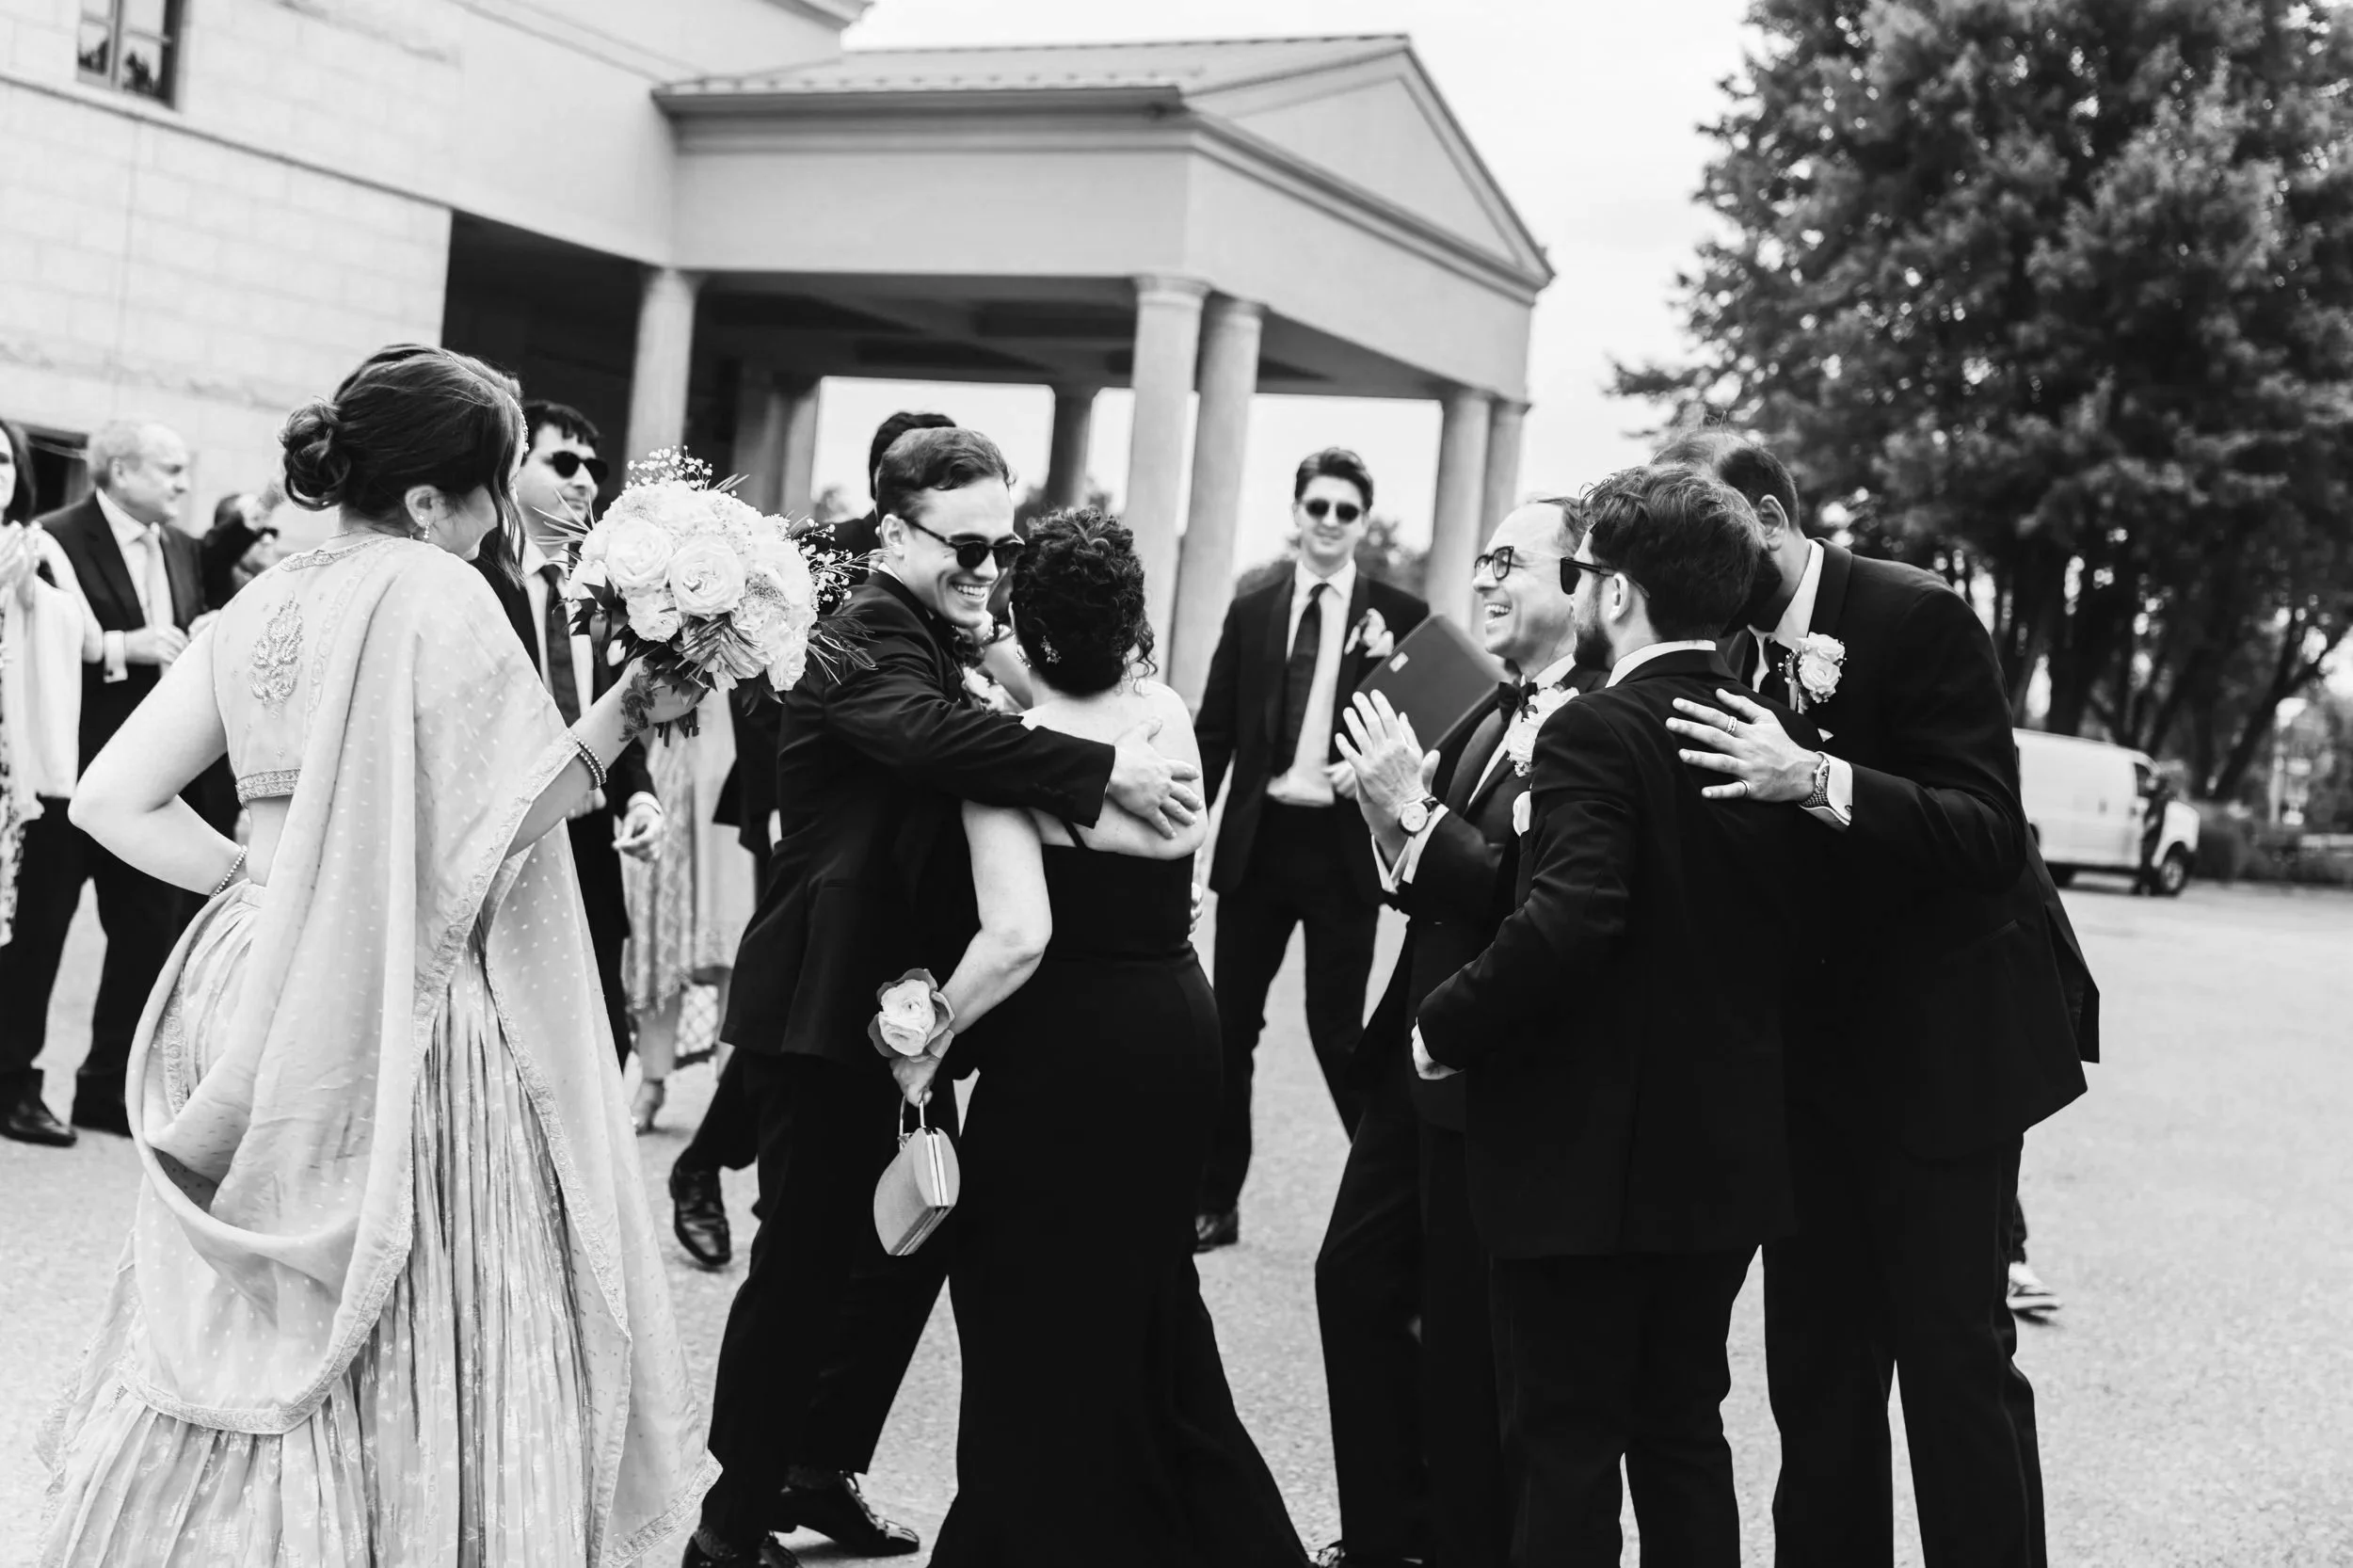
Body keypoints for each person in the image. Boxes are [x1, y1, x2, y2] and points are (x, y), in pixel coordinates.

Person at [39, 344, 707, 1563]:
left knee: (252, 1310)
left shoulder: (255, 602)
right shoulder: (436, 594)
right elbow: (503, 820)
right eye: (492, 486)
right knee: (414, 1301)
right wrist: (629, 710)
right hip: (402, 996)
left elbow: (108, 797)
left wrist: (252, 877)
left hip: (245, 977)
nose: (502, 514)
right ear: (424, 501)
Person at [688, 426, 1205, 1568]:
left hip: (901, 1012)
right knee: (808, 1266)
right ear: (893, 533)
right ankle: (729, 1525)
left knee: (914, 1240)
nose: (988, 566)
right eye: (966, 544)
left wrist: (1112, 720)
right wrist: (1098, 770)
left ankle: (817, 1465)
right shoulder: (855, 634)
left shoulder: (943, 631)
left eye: (1002, 545)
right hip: (829, 1008)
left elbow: (1046, 695)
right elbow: (924, 738)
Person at [1660, 432, 2097, 1568]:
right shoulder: (1721, 646)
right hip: (1808, 1070)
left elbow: (1988, 835)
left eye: (1706, 538)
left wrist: (1813, 777)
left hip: (1946, 1059)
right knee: (1814, 1375)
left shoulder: (1918, 616)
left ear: (1764, 515)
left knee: (1952, 1369)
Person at [1416, 466, 1824, 1567]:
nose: (1576, 588)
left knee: (1565, 1443)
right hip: (1722, 1153)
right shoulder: (1768, 730)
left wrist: (1444, 1021)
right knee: (1682, 1430)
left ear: (1619, 594)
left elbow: (1569, 922)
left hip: (1584, 1167)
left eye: (1582, 571)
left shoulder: (1595, 733)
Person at [906, 507, 1306, 1567]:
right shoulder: (1163, 715)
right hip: (1175, 1024)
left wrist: (925, 1034)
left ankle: (1027, 1531)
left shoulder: (1007, 757)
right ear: (1131, 623)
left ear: (1025, 628)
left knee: (1021, 1299)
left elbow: (1018, 935)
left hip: (1066, 1048)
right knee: (1145, 1298)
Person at [1312, 496, 1607, 1568]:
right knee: (1351, 1282)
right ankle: (1388, 1528)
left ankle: (1448, 1538)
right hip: (1412, 1054)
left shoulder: (1594, 722)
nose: (1482, 580)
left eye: (1506, 562)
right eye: (1479, 560)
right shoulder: (1485, 711)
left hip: (1488, 1064)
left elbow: (1531, 902)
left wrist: (1416, 817)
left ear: (1577, 579)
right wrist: (1388, 816)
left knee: (1458, 1327)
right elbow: (1429, 885)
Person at [672, 408, 960, 1271]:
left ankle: (719, 1163)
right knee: (793, 997)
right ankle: (745, 1178)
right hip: (800, 816)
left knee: (821, 1005)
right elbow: (758, 684)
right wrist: (778, 804)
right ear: (888, 488)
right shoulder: (815, 557)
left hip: (890, 821)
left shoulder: (950, 568)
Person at [1193, 447, 1430, 1253]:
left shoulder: (1400, 611)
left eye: (1346, 511)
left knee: (1338, 1031)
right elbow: (1215, 731)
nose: (1330, 522)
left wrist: (1376, 766)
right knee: (1229, 1031)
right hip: (1257, 848)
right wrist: (1181, 835)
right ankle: (1214, 1201)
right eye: (1318, 506)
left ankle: (1399, 1204)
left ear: (1364, 523)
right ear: (1297, 512)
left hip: (1342, 852)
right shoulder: (1251, 609)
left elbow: (1433, 720)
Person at [0, 419, 200, 1139]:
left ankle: (107, 1088)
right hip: (66, 772)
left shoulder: (181, 546)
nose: (183, 484)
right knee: (40, 934)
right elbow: (62, 644)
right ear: (118, 470)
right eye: (169, 469)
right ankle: (12, 1080)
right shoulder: (53, 534)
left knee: (149, 932)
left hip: (151, 780)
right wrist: (129, 646)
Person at [479, 398, 663, 1066]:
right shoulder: (474, 582)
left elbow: (616, 710)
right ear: (512, 468)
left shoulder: (602, 588)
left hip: (590, 842)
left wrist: (639, 795)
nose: (586, 479)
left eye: (596, 465)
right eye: (564, 461)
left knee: (601, 1038)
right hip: (502, 846)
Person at [1, 418, 102, 1146]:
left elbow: (91, 637)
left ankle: (12, 1083)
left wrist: (38, 596)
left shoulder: (35, 550)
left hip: (15, 771)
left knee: (19, 938)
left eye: (4, 459)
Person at [624, 686, 757, 1131]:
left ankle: (730, 1085)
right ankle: (652, 1079)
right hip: (673, 756)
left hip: (742, 753)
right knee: (661, 929)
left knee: (740, 929)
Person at [190, 490, 282, 837]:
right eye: (260, 532)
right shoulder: (211, 576)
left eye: (274, 532)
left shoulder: (275, 587)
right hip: (211, 746)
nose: (269, 539)